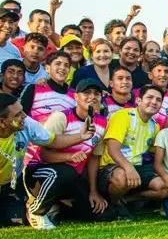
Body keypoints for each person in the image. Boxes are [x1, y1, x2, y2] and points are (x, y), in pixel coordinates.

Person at [0, 93, 96, 230]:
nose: (24, 116)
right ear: (2, 122)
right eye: (18, 115)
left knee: (16, 221)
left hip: (12, 183)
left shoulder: (26, 124)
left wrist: (81, 136)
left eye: (22, 111)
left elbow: (53, 140)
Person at [25, 79, 111, 229]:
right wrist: (68, 157)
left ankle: (58, 207)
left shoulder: (102, 123)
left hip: (73, 177)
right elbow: (44, 154)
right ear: (76, 97)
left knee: (104, 213)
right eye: (87, 93)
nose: (92, 97)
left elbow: (94, 159)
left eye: (96, 94)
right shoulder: (61, 117)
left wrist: (93, 191)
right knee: (67, 172)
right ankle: (36, 210)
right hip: (40, 172)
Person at [97, 84, 168, 219]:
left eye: (158, 100)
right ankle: (114, 204)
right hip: (111, 167)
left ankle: (127, 199)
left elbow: (157, 150)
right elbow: (113, 149)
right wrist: (129, 168)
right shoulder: (123, 116)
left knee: (166, 187)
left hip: (137, 167)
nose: (154, 102)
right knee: (122, 177)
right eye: (150, 97)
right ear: (138, 100)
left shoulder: (154, 126)